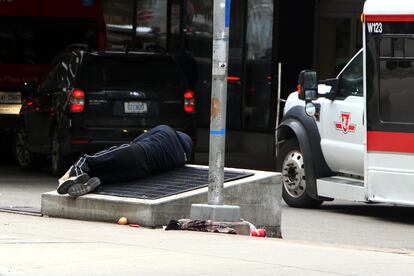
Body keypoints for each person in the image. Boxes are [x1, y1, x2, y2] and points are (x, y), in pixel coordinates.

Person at [57, 125, 193, 197]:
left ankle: (77, 171)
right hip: (141, 172)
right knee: (104, 177)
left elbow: (138, 140)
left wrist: (127, 148)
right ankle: (91, 182)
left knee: (91, 160)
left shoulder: (166, 130)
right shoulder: (180, 160)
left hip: (137, 152)